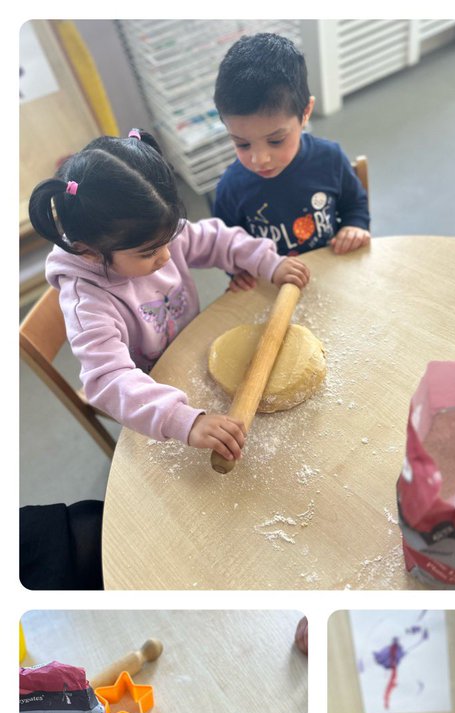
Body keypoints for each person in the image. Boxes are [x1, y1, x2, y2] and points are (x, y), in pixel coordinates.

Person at [28, 131, 308, 464]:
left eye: (169, 238)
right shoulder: (87, 300)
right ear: (89, 253)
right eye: (150, 252)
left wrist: (266, 262)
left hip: (189, 346)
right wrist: (182, 421)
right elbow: (108, 379)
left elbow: (216, 240)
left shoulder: (151, 232)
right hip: (152, 388)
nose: (166, 256)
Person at [213, 31, 370, 294]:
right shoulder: (231, 188)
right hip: (271, 289)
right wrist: (238, 270)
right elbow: (227, 245)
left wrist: (354, 226)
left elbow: (355, 204)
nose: (259, 159)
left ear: (305, 112)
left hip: (332, 278)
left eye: (275, 141)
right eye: (242, 144)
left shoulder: (329, 159)